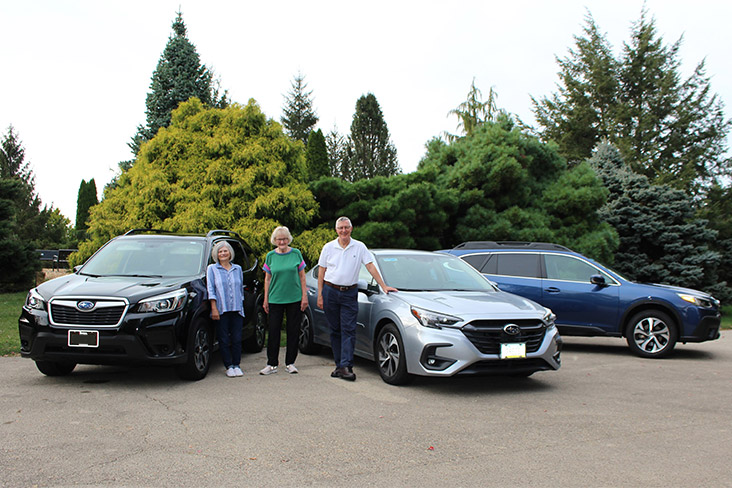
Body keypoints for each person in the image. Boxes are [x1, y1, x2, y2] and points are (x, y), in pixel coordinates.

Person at [317, 216, 397, 381]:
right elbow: (322, 271)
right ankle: (339, 365)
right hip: (330, 291)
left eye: (346, 227)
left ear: (351, 229)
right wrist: (320, 294)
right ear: (336, 230)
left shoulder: (359, 247)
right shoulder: (328, 247)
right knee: (335, 330)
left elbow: (370, 265)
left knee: (348, 329)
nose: (344, 231)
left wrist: (383, 285)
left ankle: (346, 366)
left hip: (349, 293)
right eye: (341, 228)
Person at [260, 226, 308, 375]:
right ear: (275, 240)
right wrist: (266, 299)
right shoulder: (270, 256)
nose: (282, 241)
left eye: (285, 239)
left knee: (293, 331)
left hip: (294, 298)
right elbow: (267, 279)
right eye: (279, 239)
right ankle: (271, 364)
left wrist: (304, 296)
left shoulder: (296, 254)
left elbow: (302, 276)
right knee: (273, 331)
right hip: (275, 298)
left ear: (289, 239)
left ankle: (290, 363)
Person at [206, 241, 245, 378]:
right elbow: (211, 288)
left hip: (236, 309)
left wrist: (241, 306)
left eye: (225, 251)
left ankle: (236, 364)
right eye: (220, 251)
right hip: (221, 309)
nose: (223, 253)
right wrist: (214, 307)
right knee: (223, 339)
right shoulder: (212, 269)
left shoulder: (237, 269)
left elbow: (240, 289)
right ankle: (228, 365)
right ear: (216, 254)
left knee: (237, 338)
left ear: (230, 253)